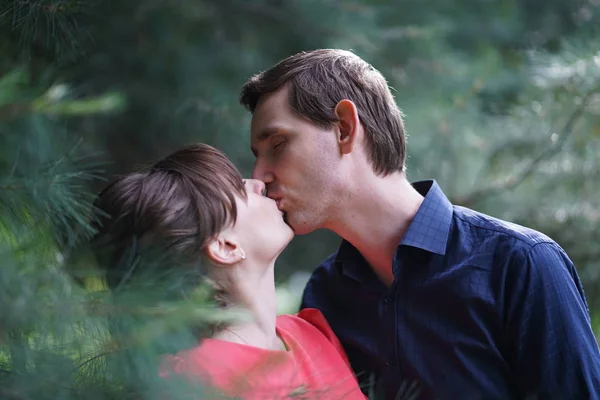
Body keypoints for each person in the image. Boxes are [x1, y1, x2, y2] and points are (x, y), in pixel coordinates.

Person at [240, 49, 600, 399]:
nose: (259, 176)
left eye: (278, 144)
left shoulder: (521, 264)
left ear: (345, 129)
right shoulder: (324, 294)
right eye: (258, 156)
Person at [90, 143, 367, 400]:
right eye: (238, 188)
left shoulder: (312, 333)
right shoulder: (186, 381)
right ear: (225, 246)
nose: (259, 183)